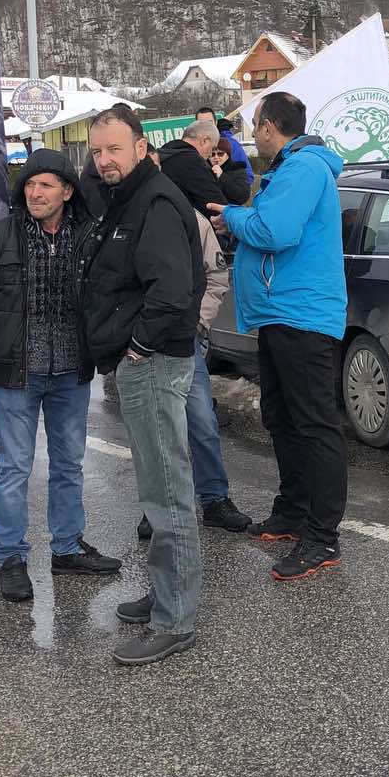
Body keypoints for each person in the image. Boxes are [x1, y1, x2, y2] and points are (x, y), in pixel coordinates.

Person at [0, 148, 121, 602]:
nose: (35, 192)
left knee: (69, 465)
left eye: (46, 184)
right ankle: (10, 557)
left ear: (67, 191)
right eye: (29, 184)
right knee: (13, 469)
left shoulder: (90, 236)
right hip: (15, 375)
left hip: (72, 372)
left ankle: (67, 548)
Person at [81, 107, 205, 665]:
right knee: (156, 488)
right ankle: (166, 589)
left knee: (167, 491)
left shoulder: (152, 201)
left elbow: (173, 289)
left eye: (114, 150)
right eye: (97, 151)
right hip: (144, 363)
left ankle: (175, 619)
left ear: (139, 148)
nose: (104, 161)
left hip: (153, 364)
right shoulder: (126, 198)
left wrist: (137, 349)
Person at [208, 91, 347, 582]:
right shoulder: (289, 168)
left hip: (302, 318)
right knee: (283, 419)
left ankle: (322, 536)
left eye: (255, 126)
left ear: (269, 126)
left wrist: (232, 217)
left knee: (315, 426)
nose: (254, 136)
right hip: (278, 315)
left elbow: (276, 231)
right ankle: (292, 510)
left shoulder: (304, 168)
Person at [138, 120, 253, 539]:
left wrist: (197, 321)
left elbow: (216, 277)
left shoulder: (192, 221)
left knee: (201, 422)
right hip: (139, 346)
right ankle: (157, 507)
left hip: (184, 343)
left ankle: (214, 498)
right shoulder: (126, 222)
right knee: (153, 431)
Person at [158, 120, 249, 216]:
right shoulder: (192, 161)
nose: (211, 154)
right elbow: (215, 205)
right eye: (212, 148)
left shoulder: (161, 156)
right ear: (205, 140)